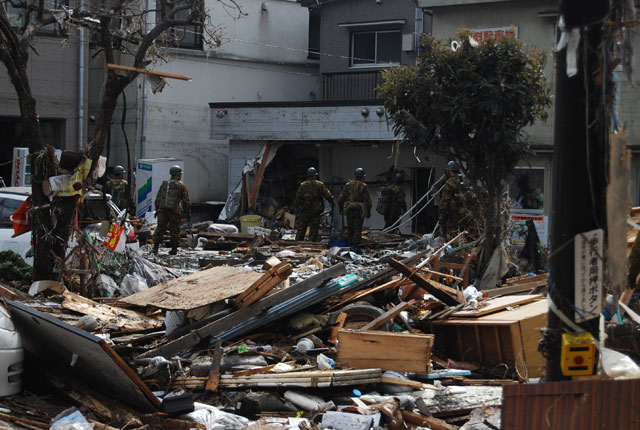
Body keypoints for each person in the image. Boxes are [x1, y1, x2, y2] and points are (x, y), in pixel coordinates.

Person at [152, 165, 191, 255]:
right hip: (174, 211)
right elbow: (186, 201)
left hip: (162, 211)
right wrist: (188, 213)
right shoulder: (182, 185)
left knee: (160, 229)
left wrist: (157, 209)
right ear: (178, 175)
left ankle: (155, 248)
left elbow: (158, 198)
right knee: (175, 230)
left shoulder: (165, 184)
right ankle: (174, 249)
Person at [294, 167, 334, 242]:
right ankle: (312, 242)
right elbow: (327, 195)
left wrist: (298, 207)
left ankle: (298, 242)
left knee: (302, 227)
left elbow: (298, 198)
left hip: (305, 208)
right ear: (315, 175)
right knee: (314, 227)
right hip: (316, 208)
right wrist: (333, 202)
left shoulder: (303, 185)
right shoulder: (320, 184)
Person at [338, 167, 372, 246]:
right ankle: (355, 247)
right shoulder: (364, 186)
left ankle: (350, 245)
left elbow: (341, 198)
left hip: (349, 209)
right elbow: (368, 201)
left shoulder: (348, 185)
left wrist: (341, 209)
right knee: (357, 229)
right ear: (362, 176)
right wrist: (368, 212)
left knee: (350, 228)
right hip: (358, 210)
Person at [439, 160, 470, 239]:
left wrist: (442, 214)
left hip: (454, 213)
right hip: (466, 212)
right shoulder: (465, 180)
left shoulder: (450, 182)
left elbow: (445, 200)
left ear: (450, 171)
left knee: (453, 234)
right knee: (464, 233)